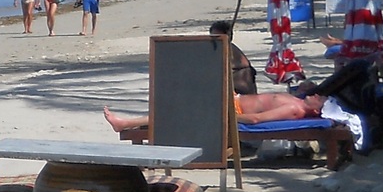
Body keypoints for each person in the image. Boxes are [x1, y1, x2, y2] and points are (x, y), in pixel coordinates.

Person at [103, 89, 326, 133]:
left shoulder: (294, 108)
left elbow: (257, 119)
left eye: (320, 99)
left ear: (316, 112)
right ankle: (132, 124)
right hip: (232, 100)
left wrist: (228, 116)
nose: (317, 95)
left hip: (230, 108)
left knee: (178, 113)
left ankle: (125, 124)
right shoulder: (298, 99)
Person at [209, 20, 259, 95]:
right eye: (212, 37)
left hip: (240, 91)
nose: (214, 40)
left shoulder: (231, 51)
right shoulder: (217, 49)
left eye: (217, 37)